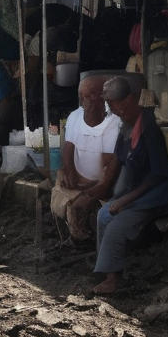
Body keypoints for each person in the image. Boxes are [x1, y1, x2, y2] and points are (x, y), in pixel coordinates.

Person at [92, 76, 168, 294]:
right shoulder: (127, 128)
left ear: (131, 99)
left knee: (117, 225)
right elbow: (121, 162)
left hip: (160, 192)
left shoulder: (149, 129)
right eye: (110, 104)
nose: (113, 109)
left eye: (116, 103)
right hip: (138, 189)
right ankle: (105, 271)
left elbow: (159, 175)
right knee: (103, 214)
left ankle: (113, 280)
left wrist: (125, 200)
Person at [51, 76, 121, 243]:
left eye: (91, 95)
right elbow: (68, 147)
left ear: (102, 96)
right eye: (82, 97)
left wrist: (91, 186)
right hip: (79, 177)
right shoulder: (75, 117)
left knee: (82, 205)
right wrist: (70, 173)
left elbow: (109, 162)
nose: (86, 101)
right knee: (61, 181)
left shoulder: (114, 121)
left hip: (101, 181)